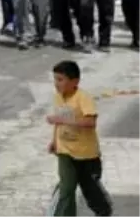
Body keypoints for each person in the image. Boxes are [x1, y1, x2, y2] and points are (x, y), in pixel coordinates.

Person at [47, 60, 113, 217]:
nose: (57, 84)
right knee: (66, 188)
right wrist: (54, 141)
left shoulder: (83, 98)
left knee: (90, 189)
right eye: (55, 79)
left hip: (87, 154)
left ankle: (104, 211)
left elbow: (91, 122)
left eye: (61, 80)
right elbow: (59, 121)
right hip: (65, 152)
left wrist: (62, 121)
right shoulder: (58, 97)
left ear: (75, 81)